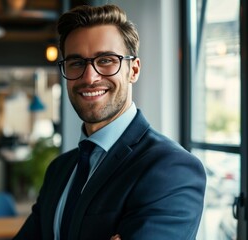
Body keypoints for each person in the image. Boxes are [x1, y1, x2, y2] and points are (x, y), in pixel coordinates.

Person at [13, 4, 206, 240]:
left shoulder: (171, 168)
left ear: (133, 70)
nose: (89, 77)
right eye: (76, 63)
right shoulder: (59, 169)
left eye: (105, 60)